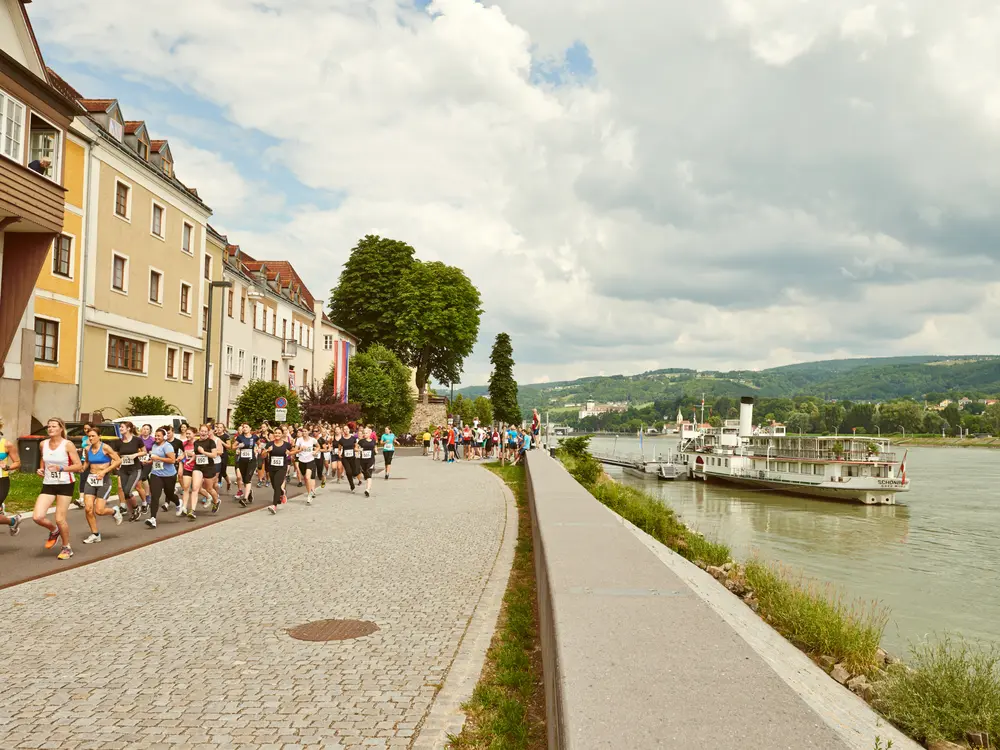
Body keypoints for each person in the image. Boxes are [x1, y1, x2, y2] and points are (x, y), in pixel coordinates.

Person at [34, 418, 83, 560]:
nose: (50, 429)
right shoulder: (43, 444)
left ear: (61, 428)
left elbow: (78, 466)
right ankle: (54, 531)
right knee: (37, 517)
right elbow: (44, 459)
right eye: (49, 426)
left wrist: (61, 468)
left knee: (60, 519)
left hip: (65, 484)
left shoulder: (68, 445)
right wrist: (41, 469)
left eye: (54, 426)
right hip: (49, 483)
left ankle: (66, 547)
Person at [80, 426, 123, 544]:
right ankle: (95, 534)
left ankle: (114, 511)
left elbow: (118, 460)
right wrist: (82, 468)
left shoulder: (105, 448)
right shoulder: (87, 449)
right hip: (91, 480)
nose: (91, 438)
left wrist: (104, 471)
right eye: (89, 436)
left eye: (93, 436)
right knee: (88, 509)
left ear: (99, 437)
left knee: (99, 511)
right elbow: (87, 461)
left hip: (104, 481)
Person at [145, 428, 177, 528]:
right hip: (156, 474)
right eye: (155, 435)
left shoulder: (167, 446)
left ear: (164, 437)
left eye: (159, 436)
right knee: (155, 496)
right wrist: (149, 462)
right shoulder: (154, 445)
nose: (156, 437)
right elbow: (154, 459)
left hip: (169, 475)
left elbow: (172, 460)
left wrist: (158, 458)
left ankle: (178, 502)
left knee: (169, 494)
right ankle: (153, 518)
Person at [115, 421, 146, 522]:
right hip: (123, 469)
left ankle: (137, 507)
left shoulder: (137, 440)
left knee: (128, 490)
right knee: (125, 493)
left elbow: (145, 452)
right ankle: (134, 511)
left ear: (128, 428)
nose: (120, 429)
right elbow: (116, 455)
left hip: (135, 469)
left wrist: (135, 455)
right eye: (120, 427)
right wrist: (116, 463)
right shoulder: (118, 442)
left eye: (122, 427)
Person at [188, 425, 219, 519]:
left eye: (205, 431)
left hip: (208, 467)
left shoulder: (211, 442)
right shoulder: (196, 442)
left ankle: (216, 501)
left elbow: (214, 455)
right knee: (195, 488)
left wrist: (203, 452)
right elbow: (196, 454)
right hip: (198, 466)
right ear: (199, 432)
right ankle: (192, 510)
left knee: (209, 489)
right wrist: (191, 460)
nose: (203, 433)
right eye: (202, 431)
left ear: (208, 433)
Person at [0, 417, 22, 535]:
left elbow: (17, 463)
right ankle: (13, 521)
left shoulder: (6, 444)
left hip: (1, 480)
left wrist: (7, 467)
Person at [260, 429, 290, 514]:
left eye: (279, 433)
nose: (277, 434)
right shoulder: (270, 444)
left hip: (282, 468)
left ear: (282, 434)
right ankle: (282, 492)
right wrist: (267, 450)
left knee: (277, 485)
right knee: (274, 486)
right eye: (276, 433)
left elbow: (293, 451)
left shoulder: (286, 444)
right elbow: (262, 455)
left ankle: (274, 505)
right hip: (272, 467)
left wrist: (290, 453)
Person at [233, 423, 257, 507]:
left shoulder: (254, 437)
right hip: (242, 461)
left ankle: (245, 498)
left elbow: (259, 444)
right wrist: (239, 446)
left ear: (250, 428)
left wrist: (258, 448)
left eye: (246, 427)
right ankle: (249, 491)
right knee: (244, 480)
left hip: (251, 461)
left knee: (248, 479)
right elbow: (233, 446)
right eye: (243, 427)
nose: (245, 428)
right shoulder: (240, 437)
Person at [293, 427, 319, 504]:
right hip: (301, 461)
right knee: (305, 478)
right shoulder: (299, 440)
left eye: (305, 431)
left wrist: (315, 451)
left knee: (307, 478)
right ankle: (310, 491)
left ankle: (309, 495)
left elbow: (318, 446)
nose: (304, 433)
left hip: (310, 460)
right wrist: (300, 449)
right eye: (303, 431)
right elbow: (295, 450)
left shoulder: (312, 440)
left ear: (308, 432)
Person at [357, 426, 377, 497]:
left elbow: (375, 447)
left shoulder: (373, 441)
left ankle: (367, 490)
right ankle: (365, 475)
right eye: (364, 433)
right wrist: (359, 450)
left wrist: (376, 450)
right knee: (365, 472)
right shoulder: (361, 441)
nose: (365, 434)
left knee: (369, 474)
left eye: (366, 433)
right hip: (363, 460)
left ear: (369, 434)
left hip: (371, 460)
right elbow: (355, 448)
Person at [339, 425, 359, 492]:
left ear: (349, 429)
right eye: (344, 429)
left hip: (352, 457)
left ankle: (354, 474)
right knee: (348, 472)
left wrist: (357, 449)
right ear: (343, 431)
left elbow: (356, 446)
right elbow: (339, 448)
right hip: (345, 458)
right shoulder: (341, 440)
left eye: (347, 429)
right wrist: (339, 453)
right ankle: (352, 485)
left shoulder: (353, 438)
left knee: (355, 472)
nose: (346, 430)